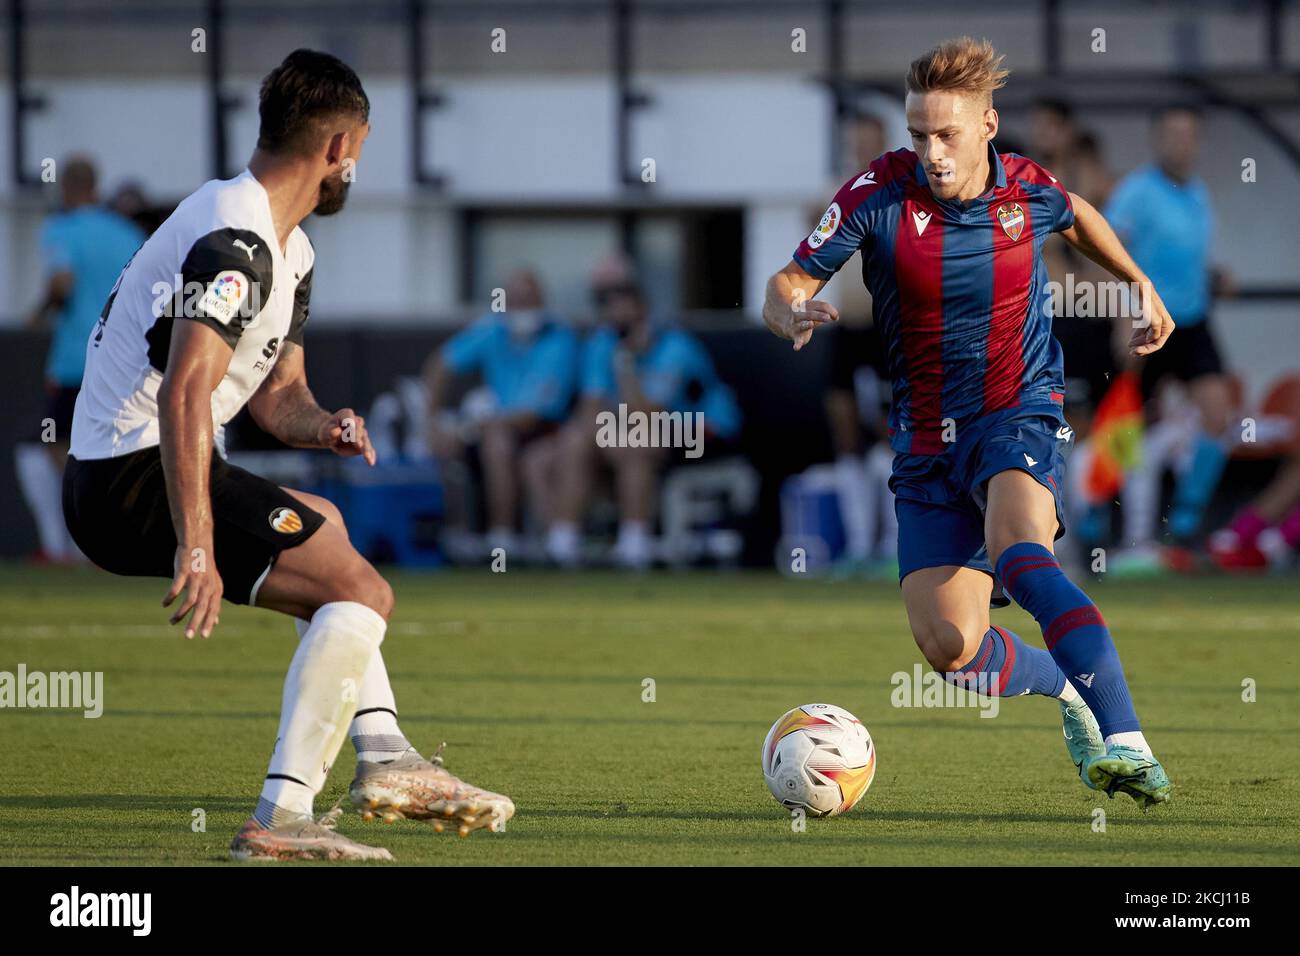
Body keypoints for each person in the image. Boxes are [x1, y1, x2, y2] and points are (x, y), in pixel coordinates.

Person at [62, 49, 514, 862]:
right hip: (127, 477)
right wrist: (197, 545)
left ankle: (385, 759)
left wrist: (323, 425)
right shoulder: (233, 236)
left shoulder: (290, 249)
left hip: (153, 464)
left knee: (331, 544)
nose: (356, 173)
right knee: (360, 590)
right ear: (339, 146)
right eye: (361, 154)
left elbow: (275, 396)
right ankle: (283, 816)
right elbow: (183, 395)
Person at [763, 37, 1175, 806]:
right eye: (919, 134)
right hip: (923, 439)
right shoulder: (875, 194)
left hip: (1017, 410)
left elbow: (1079, 214)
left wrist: (1137, 282)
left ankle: (1127, 737)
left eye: (946, 134)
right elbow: (787, 278)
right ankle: (1073, 692)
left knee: (1017, 549)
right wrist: (788, 311)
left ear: (987, 125)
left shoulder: (1026, 190)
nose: (931, 151)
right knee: (950, 649)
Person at [546, 256, 741, 569]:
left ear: (643, 308)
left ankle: (635, 542)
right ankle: (563, 541)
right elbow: (591, 408)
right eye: (611, 307)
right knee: (574, 440)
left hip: (702, 430)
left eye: (626, 306)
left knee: (635, 442)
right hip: (626, 430)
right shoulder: (601, 343)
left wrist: (625, 364)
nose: (619, 315)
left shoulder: (675, 345)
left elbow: (649, 414)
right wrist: (604, 437)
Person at [1105, 105, 1235, 545]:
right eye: (1172, 134)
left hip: (1193, 320)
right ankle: (1107, 520)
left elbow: (1183, 257)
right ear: (1157, 139)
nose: (1181, 142)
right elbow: (1110, 258)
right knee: (1125, 427)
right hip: (1146, 319)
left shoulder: (1197, 192)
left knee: (1219, 415)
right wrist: (1123, 318)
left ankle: (1185, 518)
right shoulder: (1135, 192)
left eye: (1188, 134)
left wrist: (1216, 277)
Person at [17, 156, 144, 563]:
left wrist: (39, 313)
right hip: (125, 356)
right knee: (114, 443)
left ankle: (75, 539)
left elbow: (62, 282)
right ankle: (107, 534)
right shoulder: (126, 231)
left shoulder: (62, 228)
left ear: (67, 187)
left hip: (76, 357)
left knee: (53, 443)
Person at [423, 268, 580, 556]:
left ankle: (547, 543)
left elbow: (535, 415)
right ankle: (494, 538)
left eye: (528, 300)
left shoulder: (561, 338)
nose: (521, 308)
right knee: (491, 441)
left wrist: (480, 425)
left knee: (521, 453)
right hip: (498, 432)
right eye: (515, 300)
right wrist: (432, 423)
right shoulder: (493, 329)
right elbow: (440, 364)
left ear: (542, 302)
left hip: (548, 432)